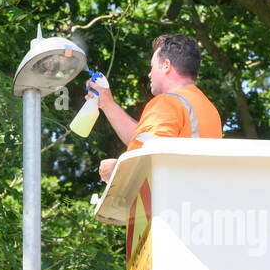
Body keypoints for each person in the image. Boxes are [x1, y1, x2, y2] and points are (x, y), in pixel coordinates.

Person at [95, 34, 222, 183]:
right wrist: (107, 103)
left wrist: (117, 170)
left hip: (167, 202)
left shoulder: (167, 102)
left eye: (152, 66)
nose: (149, 74)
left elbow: (148, 156)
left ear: (166, 65)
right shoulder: (207, 108)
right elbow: (145, 140)